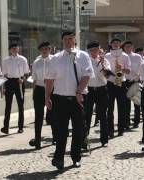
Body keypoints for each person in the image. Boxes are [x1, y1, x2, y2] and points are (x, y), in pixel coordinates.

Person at [44, 31, 94, 169]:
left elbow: (87, 75)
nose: (68, 41)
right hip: (60, 99)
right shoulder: (55, 58)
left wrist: (79, 91)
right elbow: (49, 79)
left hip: (78, 99)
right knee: (61, 131)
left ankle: (75, 157)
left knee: (78, 130)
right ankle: (58, 158)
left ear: (75, 40)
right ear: (62, 41)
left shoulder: (82, 55)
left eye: (71, 39)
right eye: (65, 39)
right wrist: (47, 96)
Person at [28, 42, 54, 149]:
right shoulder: (36, 62)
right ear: (39, 50)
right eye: (42, 49)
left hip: (52, 89)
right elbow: (34, 78)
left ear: (50, 49)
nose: (44, 51)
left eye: (46, 49)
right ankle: (37, 140)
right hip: (39, 89)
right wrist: (34, 92)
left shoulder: (54, 60)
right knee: (38, 116)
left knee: (53, 115)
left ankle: (55, 137)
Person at [85, 41, 110, 147]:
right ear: (89, 51)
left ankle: (104, 139)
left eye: (96, 50)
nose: (94, 52)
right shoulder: (86, 61)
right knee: (87, 115)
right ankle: (84, 140)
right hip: (89, 90)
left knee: (103, 115)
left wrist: (102, 64)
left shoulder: (105, 61)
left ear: (99, 50)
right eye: (92, 50)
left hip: (102, 89)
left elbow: (107, 76)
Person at [1, 44, 30, 134]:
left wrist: (23, 79)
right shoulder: (6, 60)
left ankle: (20, 127)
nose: (15, 50)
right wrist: (4, 87)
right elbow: (4, 74)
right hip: (9, 82)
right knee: (8, 106)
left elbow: (27, 72)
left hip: (19, 82)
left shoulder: (23, 59)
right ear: (10, 50)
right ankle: (6, 127)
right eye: (13, 48)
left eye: (16, 48)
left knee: (20, 105)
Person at [105, 38, 131, 137]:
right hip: (110, 82)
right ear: (110, 44)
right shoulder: (107, 56)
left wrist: (122, 69)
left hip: (121, 81)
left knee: (121, 107)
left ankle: (121, 129)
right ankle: (110, 130)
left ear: (120, 44)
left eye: (117, 43)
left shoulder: (125, 56)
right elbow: (103, 69)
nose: (115, 44)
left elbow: (128, 71)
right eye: (114, 43)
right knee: (109, 108)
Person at [122, 41, 143, 129]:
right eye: (126, 46)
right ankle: (126, 121)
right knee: (126, 103)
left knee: (136, 101)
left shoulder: (137, 57)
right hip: (124, 80)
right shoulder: (121, 56)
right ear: (124, 47)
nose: (128, 48)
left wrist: (138, 77)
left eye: (129, 46)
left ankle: (136, 120)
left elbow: (141, 68)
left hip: (135, 80)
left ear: (132, 47)